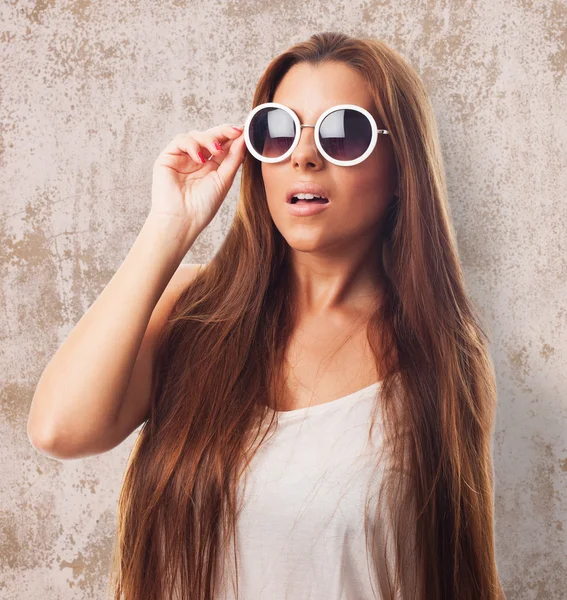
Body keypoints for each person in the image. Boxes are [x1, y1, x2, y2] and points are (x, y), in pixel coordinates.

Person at [28, 32, 506, 600]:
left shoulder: (441, 355)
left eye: (343, 133)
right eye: (277, 131)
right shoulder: (192, 309)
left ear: (401, 168)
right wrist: (169, 227)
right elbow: (60, 430)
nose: (304, 156)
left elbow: (454, 575)